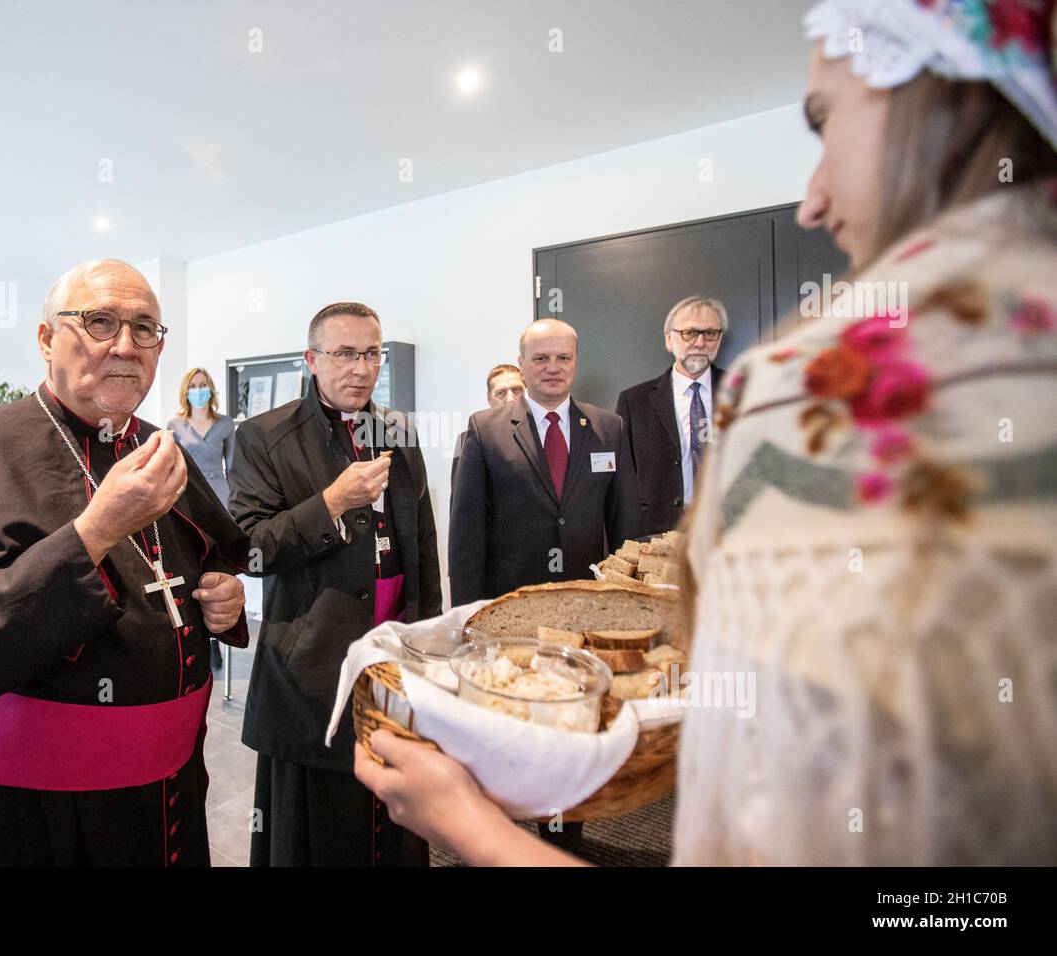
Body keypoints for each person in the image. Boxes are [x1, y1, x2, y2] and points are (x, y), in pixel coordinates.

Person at [357, 0, 1057, 866]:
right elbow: (464, 529)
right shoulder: (487, 429)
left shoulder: (805, 394)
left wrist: (472, 833)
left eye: (825, 121)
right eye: (541, 356)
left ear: (929, 100)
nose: (813, 200)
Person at [0, 258, 252, 866]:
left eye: (145, 329)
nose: (126, 346)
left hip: (169, 788)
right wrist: (96, 530)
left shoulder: (159, 448)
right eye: (100, 321)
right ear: (46, 338)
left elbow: (205, 567)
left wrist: (223, 597)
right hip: (34, 810)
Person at [229, 301, 442, 866]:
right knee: (325, 819)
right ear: (312, 360)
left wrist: (434, 638)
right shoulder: (263, 436)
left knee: (393, 804)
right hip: (314, 658)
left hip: (395, 648)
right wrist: (330, 504)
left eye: (371, 354)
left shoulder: (397, 429)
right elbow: (249, 549)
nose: (360, 368)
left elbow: (422, 539)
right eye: (344, 353)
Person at [449, 318, 639, 606]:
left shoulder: (610, 428)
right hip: (510, 600)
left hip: (589, 596)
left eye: (564, 357)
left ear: (575, 361)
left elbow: (624, 523)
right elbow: (467, 534)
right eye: (541, 358)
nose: (553, 367)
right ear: (522, 363)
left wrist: (627, 599)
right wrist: (466, 614)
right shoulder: (485, 429)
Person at [614, 297, 728, 536]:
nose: (700, 342)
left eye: (710, 333)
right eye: (689, 333)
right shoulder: (634, 402)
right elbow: (623, 484)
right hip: (660, 536)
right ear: (669, 339)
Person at [169, 366, 237, 671]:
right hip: (186, 497)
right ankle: (199, 632)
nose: (200, 389)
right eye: (194, 385)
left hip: (220, 497)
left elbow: (234, 468)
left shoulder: (225, 424)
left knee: (219, 564)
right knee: (193, 561)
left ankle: (219, 636)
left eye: (204, 384)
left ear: (212, 390)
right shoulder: (175, 424)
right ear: (186, 391)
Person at [451, 363, 525, 486]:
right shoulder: (464, 441)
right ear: (489, 398)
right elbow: (461, 496)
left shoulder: (542, 432)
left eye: (517, 390)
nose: (510, 398)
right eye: (501, 393)